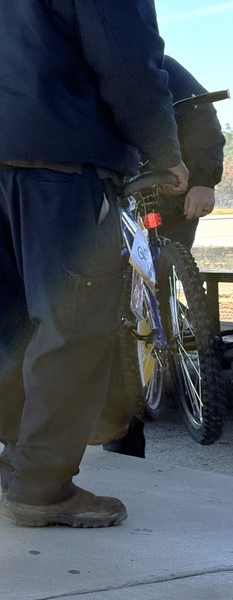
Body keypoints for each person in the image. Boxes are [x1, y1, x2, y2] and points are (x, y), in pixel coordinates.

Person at [0, 0, 188, 527]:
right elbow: (128, 58)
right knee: (71, 324)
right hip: (61, 163)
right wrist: (164, 151)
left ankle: (21, 472)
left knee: (8, 326)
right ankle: (41, 487)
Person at [103, 55, 226, 458]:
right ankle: (123, 429)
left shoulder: (160, 66)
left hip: (175, 194)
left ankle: (172, 321)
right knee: (118, 307)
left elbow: (201, 111)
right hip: (117, 192)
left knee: (164, 275)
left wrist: (204, 181)